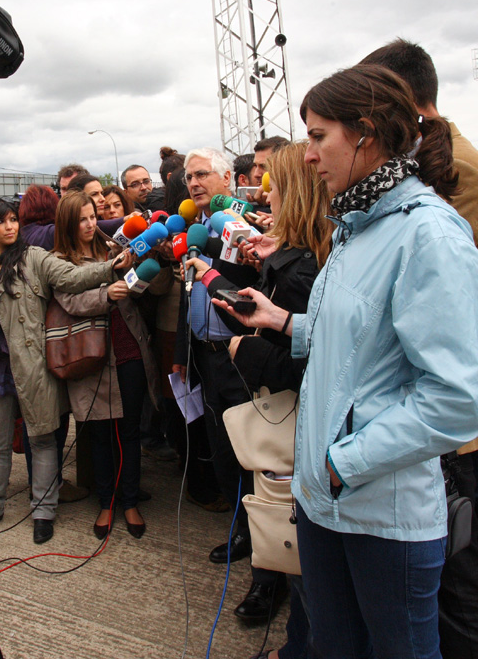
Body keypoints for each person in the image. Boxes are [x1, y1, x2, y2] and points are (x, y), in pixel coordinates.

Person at [218, 64, 478, 658]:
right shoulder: (354, 226)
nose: (308, 155)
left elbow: (457, 399)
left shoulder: (430, 235)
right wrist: (287, 322)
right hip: (324, 502)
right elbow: (361, 338)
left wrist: (344, 462)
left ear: (364, 134)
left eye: (318, 136)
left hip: (381, 515)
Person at [361, 38, 478, 655]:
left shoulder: (462, 168)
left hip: (446, 390)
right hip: (421, 384)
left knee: (457, 545)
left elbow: (437, 288)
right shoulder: (421, 157)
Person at [187, 141, 330, 658]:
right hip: (223, 363)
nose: (261, 194)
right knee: (237, 467)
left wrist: (239, 342)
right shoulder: (279, 249)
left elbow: (299, 350)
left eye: (270, 184)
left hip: (287, 403)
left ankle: (273, 581)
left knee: (281, 492)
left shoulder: (303, 265)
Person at [0, 197, 134, 544]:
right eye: (3, 222)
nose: (11, 227)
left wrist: (109, 267)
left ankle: (43, 511)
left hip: (32, 369)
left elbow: (72, 277)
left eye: (14, 220)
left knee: (41, 441)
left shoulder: (33, 258)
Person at [172, 146, 284, 621]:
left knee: (259, 463)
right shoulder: (191, 232)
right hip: (207, 360)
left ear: (225, 179)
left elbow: (244, 298)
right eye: (188, 178)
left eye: (202, 175)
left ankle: (269, 576)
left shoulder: (247, 230)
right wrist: (181, 355)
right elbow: (187, 295)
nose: (194, 183)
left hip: (245, 360)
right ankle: (242, 533)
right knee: (222, 453)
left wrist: (214, 269)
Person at [50, 191, 165, 539]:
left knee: (129, 432)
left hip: (128, 349)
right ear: (68, 224)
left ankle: (129, 500)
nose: (90, 224)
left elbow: (147, 287)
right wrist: (105, 294)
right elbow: (70, 299)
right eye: (82, 219)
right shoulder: (59, 260)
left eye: (92, 217)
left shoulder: (113, 248)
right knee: (100, 435)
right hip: (90, 357)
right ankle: (106, 502)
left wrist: (144, 265)